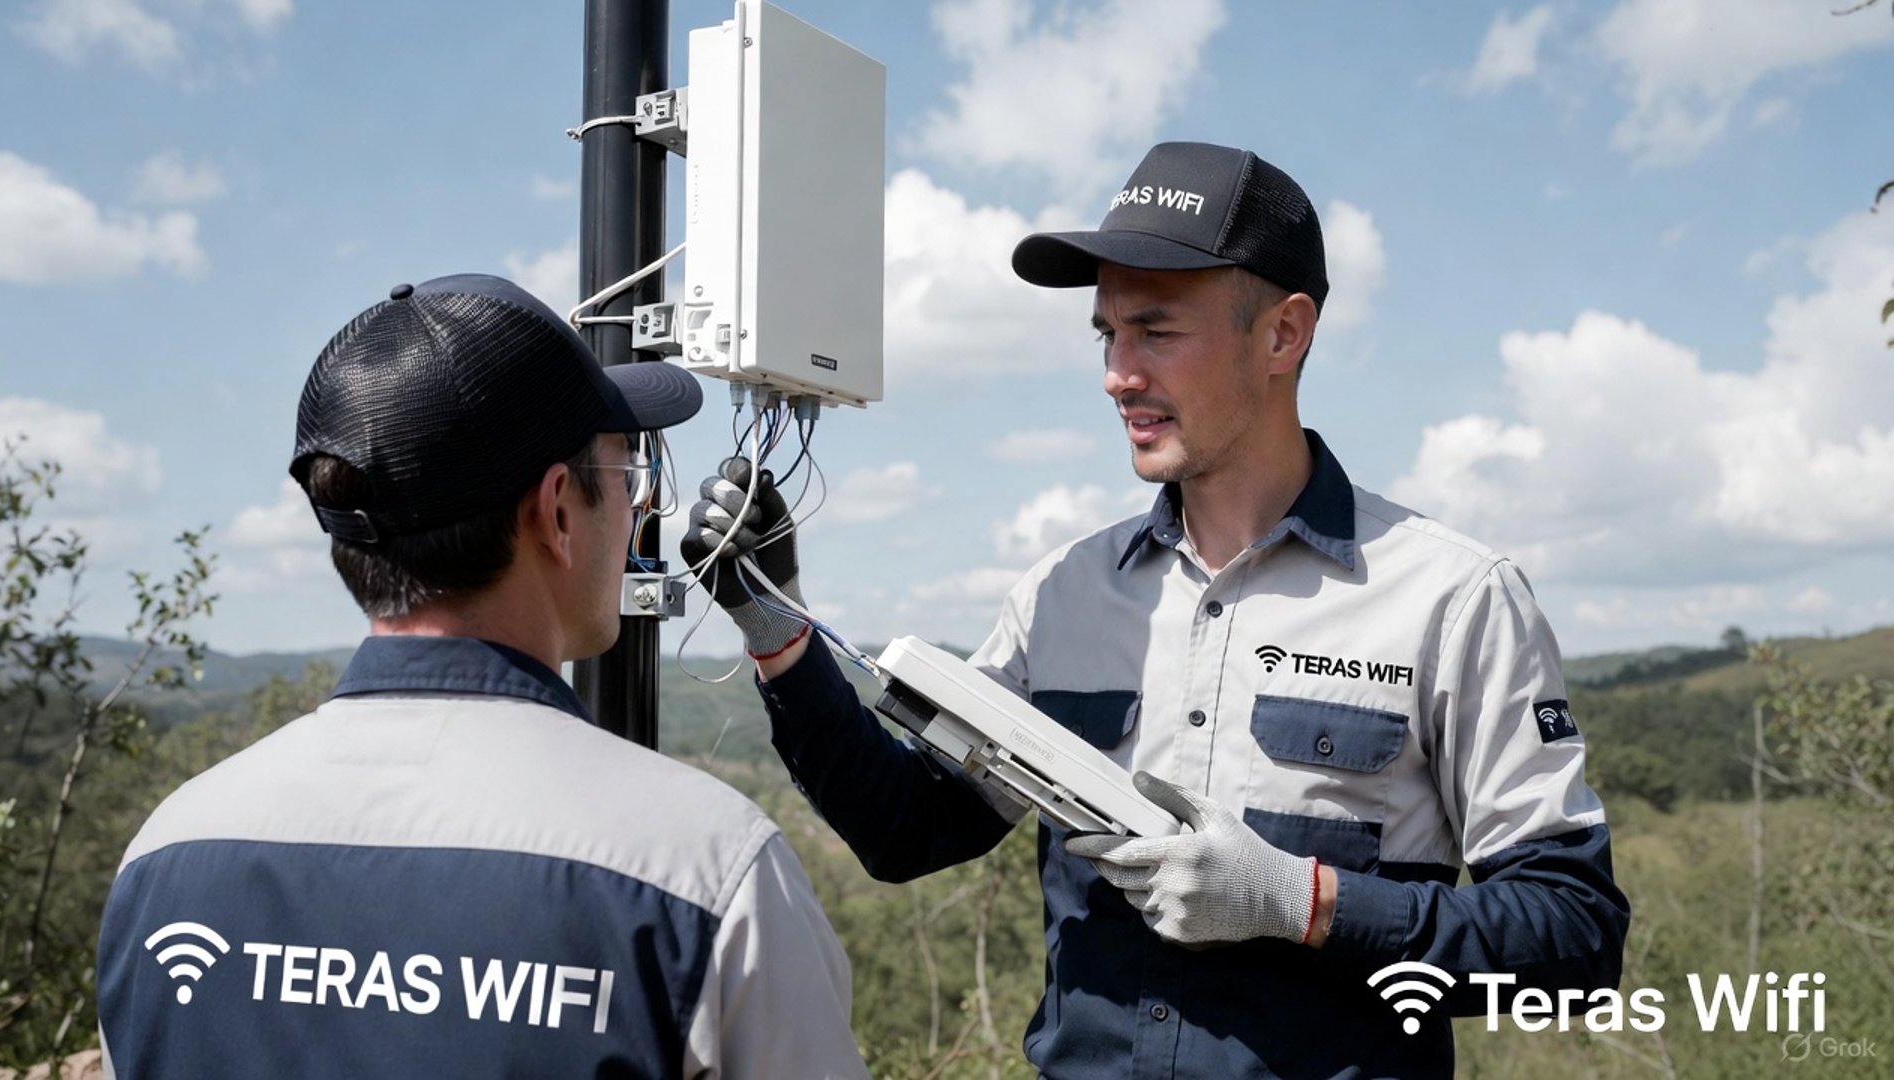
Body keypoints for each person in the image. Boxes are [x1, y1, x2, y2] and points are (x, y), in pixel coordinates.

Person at [683, 142, 1630, 1078]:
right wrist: (777, 632)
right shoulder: (1063, 595)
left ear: (1283, 335)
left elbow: (1574, 942)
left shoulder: (1451, 599)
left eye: (1157, 331)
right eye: (1107, 334)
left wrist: (1298, 901)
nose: (1117, 374)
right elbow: (908, 834)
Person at [97, 274, 869, 1079]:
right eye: (627, 476)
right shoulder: (703, 871)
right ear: (558, 512)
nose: (640, 510)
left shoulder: (167, 852)